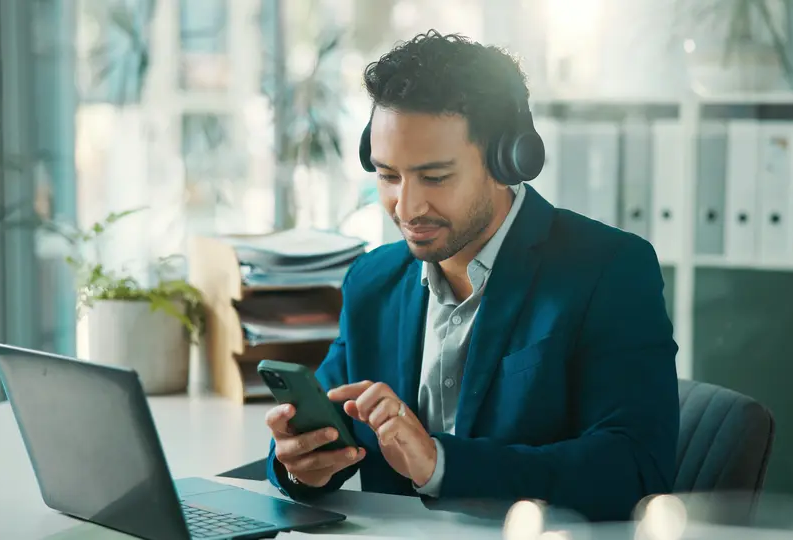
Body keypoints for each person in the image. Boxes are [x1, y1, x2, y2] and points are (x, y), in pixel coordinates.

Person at [265, 30, 679, 521]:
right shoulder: (371, 282)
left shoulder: (608, 270)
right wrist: (300, 463)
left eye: (435, 177)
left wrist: (440, 463)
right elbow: (329, 435)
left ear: (509, 160)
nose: (407, 207)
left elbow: (634, 470)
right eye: (388, 175)